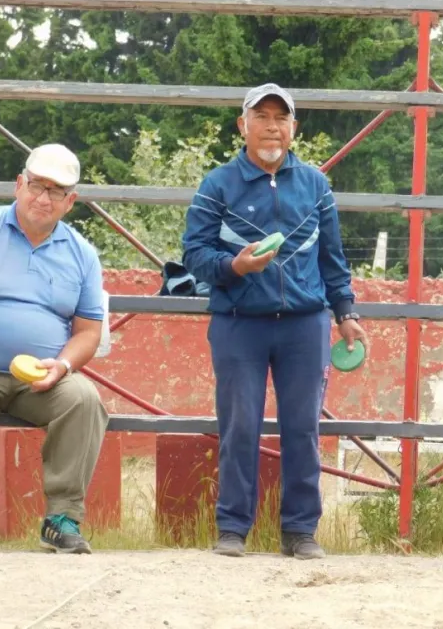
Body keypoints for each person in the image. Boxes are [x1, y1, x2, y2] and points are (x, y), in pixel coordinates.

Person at [182, 83, 367, 560]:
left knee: (303, 428)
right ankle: (232, 529)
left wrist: (345, 313)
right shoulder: (217, 185)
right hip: (238, 323)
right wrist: (234, 266)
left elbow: (333, 259)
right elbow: (194, 254)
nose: (271, 126)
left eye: (280, 118)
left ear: (293, 128)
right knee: (239, 426)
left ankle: (301, 531)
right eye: (260, 116)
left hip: (305, 324)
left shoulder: (316, 186)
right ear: (242, 125)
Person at [0, 143, 109, 554]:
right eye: (37, 185)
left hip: (42, 377)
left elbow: (88, 332)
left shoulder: (83, 255)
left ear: (70, 202)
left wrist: (63, 365)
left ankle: (62, 519)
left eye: (56, 191)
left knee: (84, 399)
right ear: (19, 184)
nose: (43, 197)